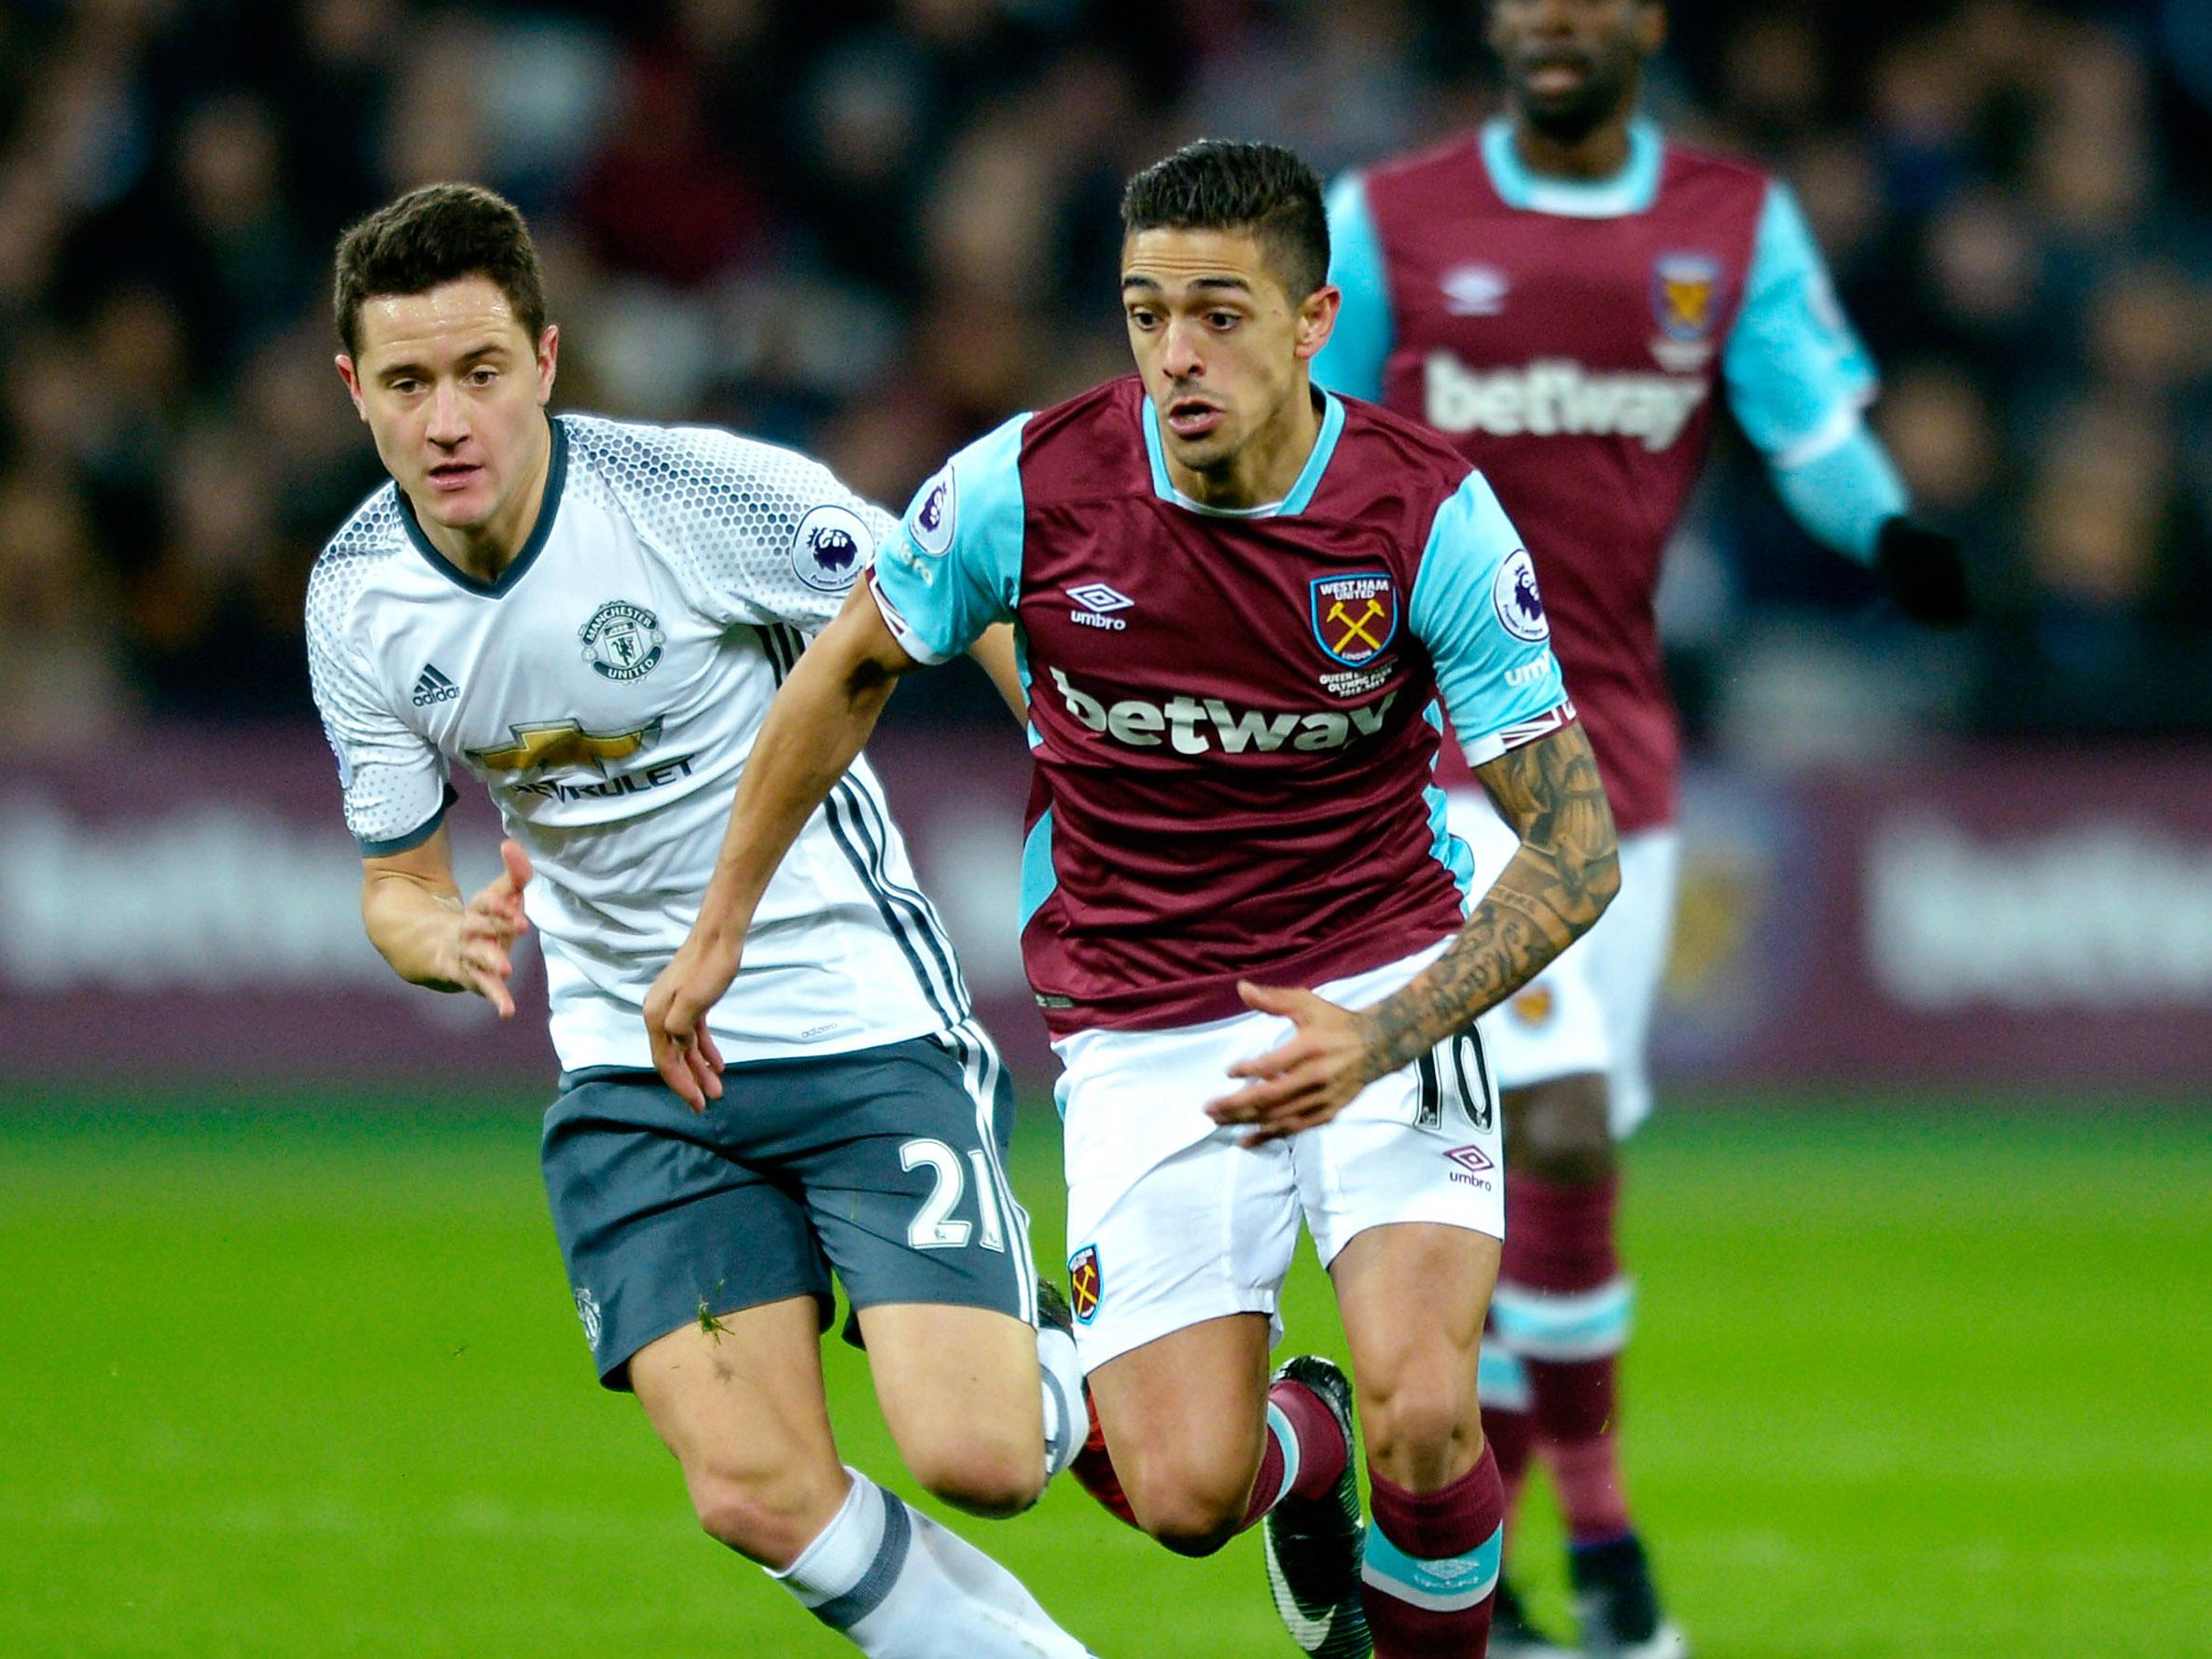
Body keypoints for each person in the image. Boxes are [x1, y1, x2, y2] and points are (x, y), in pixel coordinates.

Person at [645, 138, 1621, 1659]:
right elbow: (846, 671)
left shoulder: (1426, 516)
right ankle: (1301, 1440)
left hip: (1378, 977)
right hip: (1142, 1015)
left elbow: (1578, 852)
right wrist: (715, 933)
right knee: (1181, 1494)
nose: (1178, 353)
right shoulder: (1022, 489)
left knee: (1429, 1413)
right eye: (1146, 312)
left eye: (1221, 314)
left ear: (1313, 322)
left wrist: (1382, 1032)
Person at [304, 181, 1096, 1659]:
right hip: (630, 1060)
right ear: (356, 392)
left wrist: (1085, 771)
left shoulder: (690, 497)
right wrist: (444, 939)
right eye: (407, 383)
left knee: (983, 1460)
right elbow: (396, 882)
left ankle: (1099, 1353)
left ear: (545, 359)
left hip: (848, 1009)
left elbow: (952, 587)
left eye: (480, 372)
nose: (449, 419)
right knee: (752, 1486)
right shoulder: (355, 600)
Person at [1315, 5, 1971, 1655]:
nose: (1550, 15)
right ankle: (1595, 1543)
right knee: (1559, 1122)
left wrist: (1890, 531)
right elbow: (1291, 452)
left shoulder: (1728, 228)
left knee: (1565, 1156)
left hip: (1616, 756)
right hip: (1423, 756)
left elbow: (1814, 432)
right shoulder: (1383, 218)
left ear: (1645, 19)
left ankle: (1506, 1570)